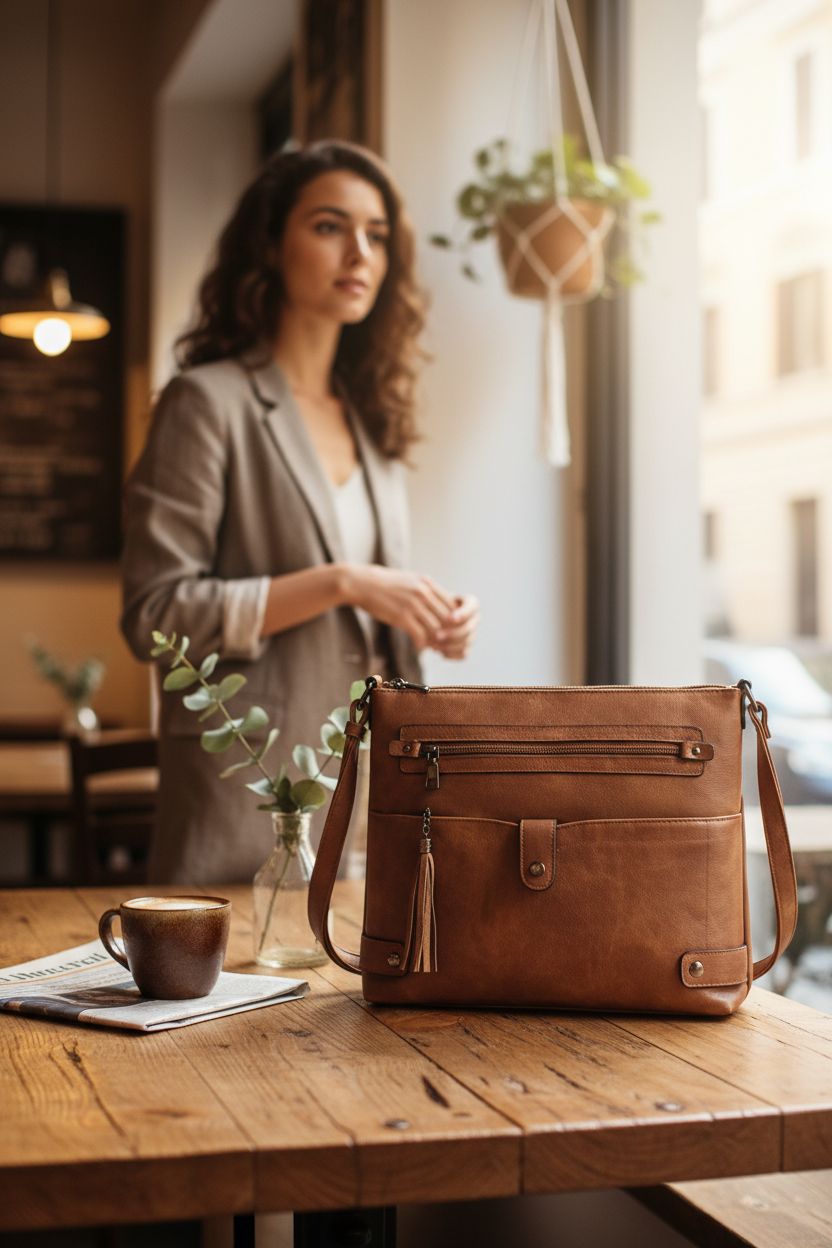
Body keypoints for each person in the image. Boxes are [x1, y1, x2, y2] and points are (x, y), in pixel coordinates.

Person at [120, 139, 480, 884]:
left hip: (367, 807)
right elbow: (154, 615)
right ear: (271, 245)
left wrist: (425, 616)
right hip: (239, 805)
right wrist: (342, 581)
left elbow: (361, 625)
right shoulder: (206, 403)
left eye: (377, 235)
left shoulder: (373, 425)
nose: (360, 252)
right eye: (329, 226)